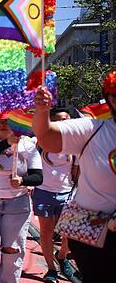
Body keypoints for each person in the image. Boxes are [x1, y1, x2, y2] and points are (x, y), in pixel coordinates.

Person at [32, 71, 116, 282]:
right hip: (94, 233)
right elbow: (47, 137)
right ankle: (54, 265)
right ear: (113, 99)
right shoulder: (93, 130)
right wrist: (42, 111)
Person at [0, 111, 42, 283]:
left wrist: (22, 180)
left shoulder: (28, 144)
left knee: (12, 249)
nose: (2, 125)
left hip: (18, 204)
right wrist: (7, 142)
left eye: (7, 122)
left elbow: (38, 177)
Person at [31, 108, 76, 283]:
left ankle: (62, 256)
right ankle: (51, 269)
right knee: (46, 232)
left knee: (69, 235)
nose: (62, 123)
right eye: (57, 120)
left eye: (66, 119)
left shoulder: (75, 143)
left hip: (68, 193)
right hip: (44, 192)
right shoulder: (38, 142)